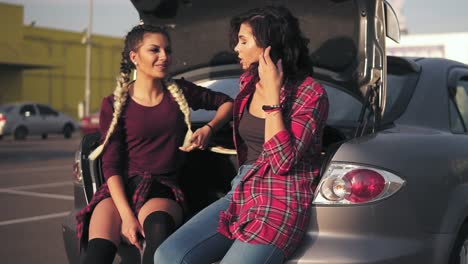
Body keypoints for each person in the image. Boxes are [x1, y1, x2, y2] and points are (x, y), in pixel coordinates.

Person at [154, 5, 329, 264]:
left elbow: (281, 162)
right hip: (242, 190)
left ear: (268, 45)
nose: (236, 48)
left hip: (280, 202)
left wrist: (273, 96)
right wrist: (210, 128)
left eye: (243, 41)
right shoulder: (248, 82)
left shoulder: (310, 94)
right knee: (168, 255)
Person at [75, 24, 233, 264]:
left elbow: (227, 104)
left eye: (167, 51)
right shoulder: (114, 104)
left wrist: (209, 129)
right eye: (155, 50)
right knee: (97, 255)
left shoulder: (179, 91)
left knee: (158, 233)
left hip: (161, 189)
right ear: (134, 57)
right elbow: (111, 165)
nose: (164, 57)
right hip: (119, 191)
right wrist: (127, 217)